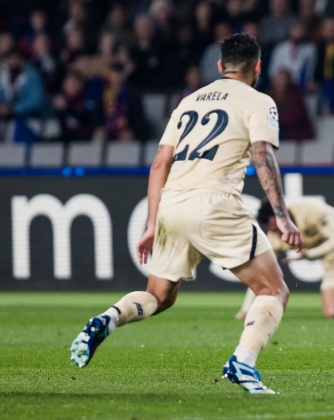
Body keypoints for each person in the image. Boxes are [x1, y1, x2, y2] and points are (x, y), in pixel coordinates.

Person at [70, 34, 302, 395]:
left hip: (172, 205)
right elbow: (262, 154)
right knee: (274, 289)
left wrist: (151, 224)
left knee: (160, 295)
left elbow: (160, 163)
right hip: (216, 203)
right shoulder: (259, 101)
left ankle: (108, 318)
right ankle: (243, 361)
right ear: (258, 67)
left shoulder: (188, 102)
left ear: (219, 66)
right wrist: (282, 217)